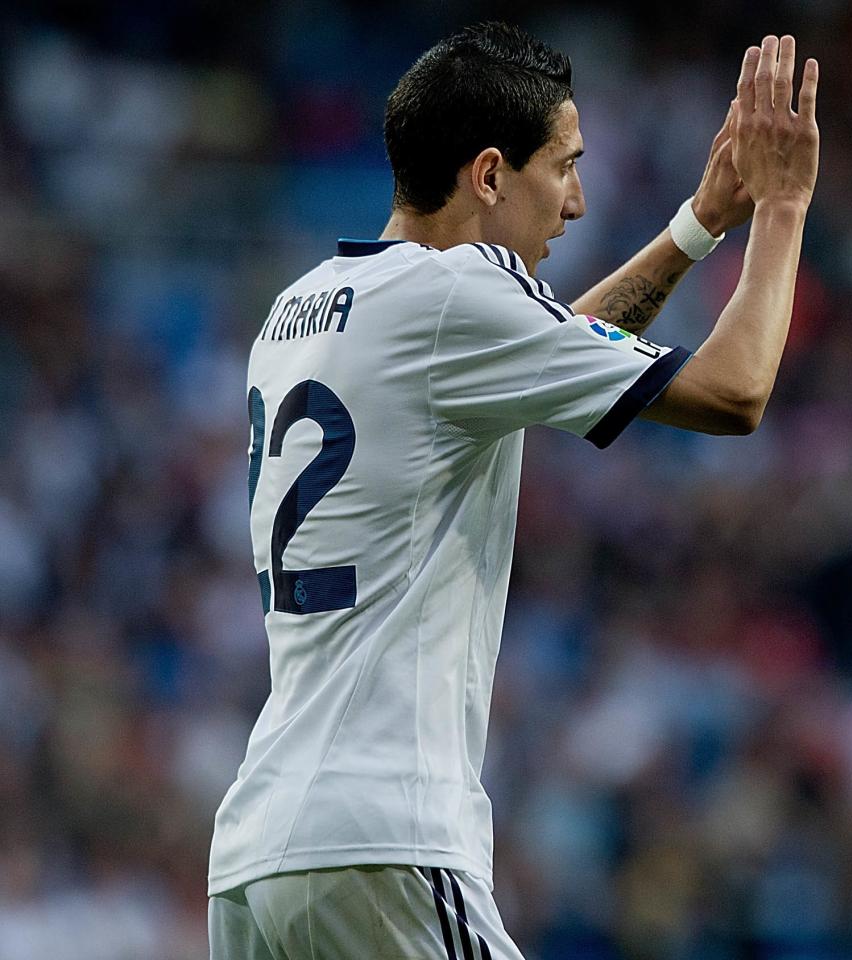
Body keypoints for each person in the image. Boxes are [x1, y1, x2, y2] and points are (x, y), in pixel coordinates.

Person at [207, 23, 818, 959]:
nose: (576, 203)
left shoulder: (304, 306)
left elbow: (553, 343)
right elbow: (735, 393)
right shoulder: (460, 295)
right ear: (489, 175)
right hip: (387, 838)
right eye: (565, 167)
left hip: (260, 855)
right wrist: (781, 209)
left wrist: (697, 226)